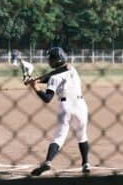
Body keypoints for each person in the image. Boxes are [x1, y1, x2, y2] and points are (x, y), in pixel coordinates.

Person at [26, 47, 90, 176]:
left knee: (58, 138)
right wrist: (37, 80)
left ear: (56, 60)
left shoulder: (54, 78)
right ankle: (86, 164)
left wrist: (35, 87)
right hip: (81, 106)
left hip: (65, 107)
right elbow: (53, 74)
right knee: (82, 136)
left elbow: (47, 98)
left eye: (51, 58)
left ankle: (48, 161)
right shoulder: (72, 70)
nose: (49, 60)